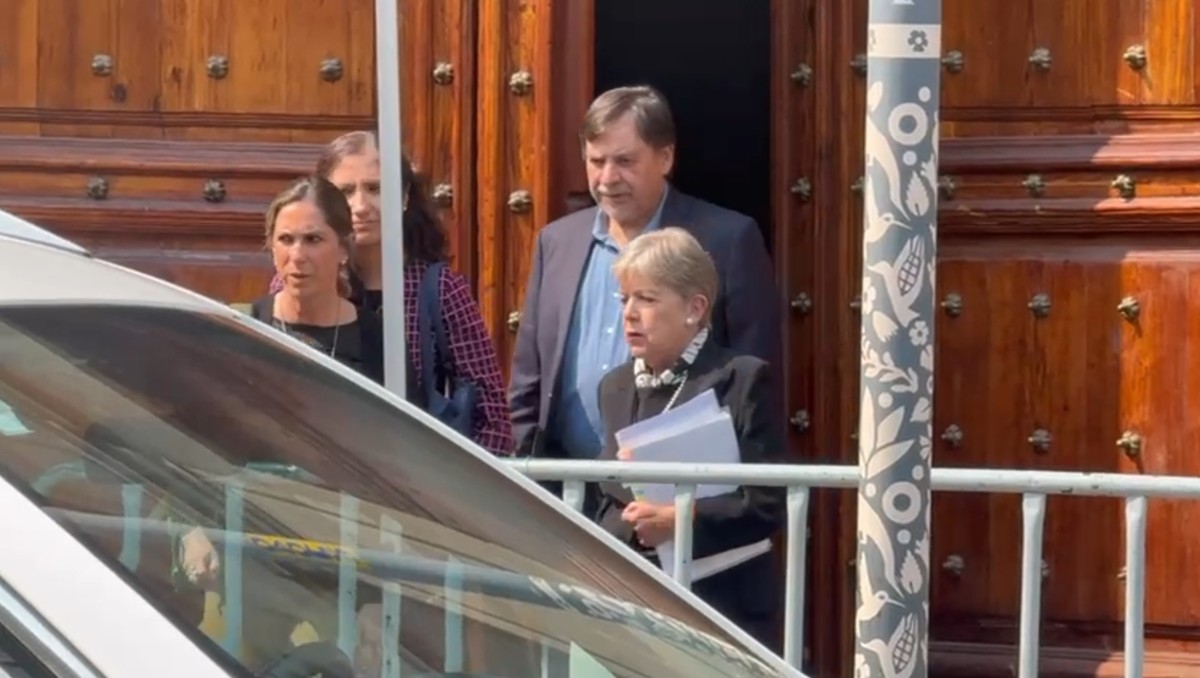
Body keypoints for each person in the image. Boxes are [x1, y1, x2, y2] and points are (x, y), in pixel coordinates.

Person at [509, 84, 782, 475]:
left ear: (666, 157)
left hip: (671, 495)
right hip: (564, 486)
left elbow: (754, 383)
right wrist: (529, 462)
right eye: (596, 160)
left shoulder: (726, 241)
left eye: (624, 161)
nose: (607, 178)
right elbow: (528, 376)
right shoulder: (557, 242)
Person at [595, 227, 785, 651]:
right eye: (624, 298)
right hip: (632, 604)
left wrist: (683, 518)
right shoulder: (615, 386)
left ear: (695, 308)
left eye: (646, 298)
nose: (629, 313)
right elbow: (609, 493)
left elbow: (767, 503)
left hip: (721, 606)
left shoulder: (742, 378)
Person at [270, 132, 513, 455]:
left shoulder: (438, 289)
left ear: (404, 196)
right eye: (345, 191)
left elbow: (492, 415)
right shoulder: (293, 282)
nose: (360, 206)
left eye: (375, 188)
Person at [253, 176, 386, 383]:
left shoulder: (378, 340)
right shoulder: (246, 326)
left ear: (343, 248)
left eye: (313, 239)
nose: (297, 255)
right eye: (286, 239)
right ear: (272, 247)